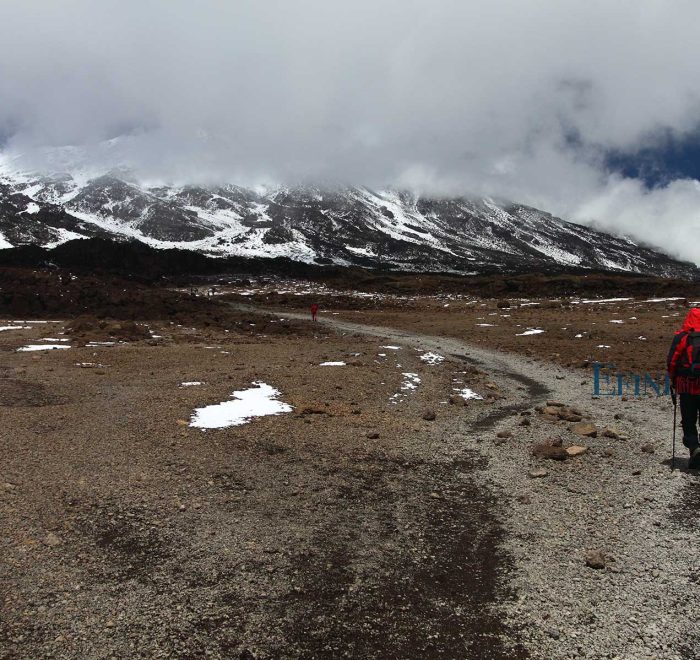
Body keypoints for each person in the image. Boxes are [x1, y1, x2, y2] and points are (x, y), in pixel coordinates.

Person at [667, 308, 700, 468]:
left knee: (688, 419)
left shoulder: (682, 336)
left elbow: (672, 360)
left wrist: (673, 380)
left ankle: (694, 447)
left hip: (686, 384)